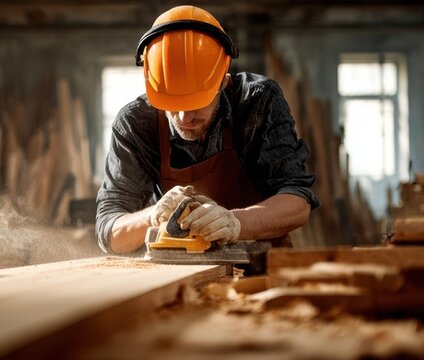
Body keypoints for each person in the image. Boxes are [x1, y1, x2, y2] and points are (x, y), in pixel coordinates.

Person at [96, 5, 319, 254]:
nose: (184, 117)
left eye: (196, 103)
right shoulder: (135, 123)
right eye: (171, 105)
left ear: (223, 82)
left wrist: (234, 223)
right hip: (179, 273)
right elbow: (109, 231)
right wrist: (152, 216)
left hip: (260, 267)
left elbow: (298, 204)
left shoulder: (259, 102)